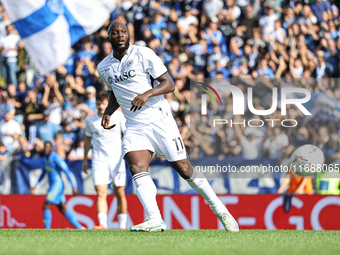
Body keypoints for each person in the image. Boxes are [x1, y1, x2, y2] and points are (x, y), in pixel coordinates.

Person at [97, 21, 239, 232]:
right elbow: (114, 92)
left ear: (129, 35)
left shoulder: (143, 54)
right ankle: (154, 217)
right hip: (135, 125)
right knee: (136, 165)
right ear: (108, 38)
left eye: (123, 31)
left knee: (184, 169)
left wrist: (147, 94)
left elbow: (169, 83)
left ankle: (221, 210)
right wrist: (108, 111)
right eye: (115, 32)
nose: (120, 35)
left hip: (160, 120)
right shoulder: (103, 67)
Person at [83, 92, 127, 230]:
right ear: (95, 104)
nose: (101, 106)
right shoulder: (90, 120)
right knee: (101, 193)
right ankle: (103, 224)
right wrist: (85, 159)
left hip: (117, 160)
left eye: (104, 103)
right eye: (99, 103)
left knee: (120, 193)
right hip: (99, 161)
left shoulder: (119, 117)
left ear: (108, 104)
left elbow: (125, 135)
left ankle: (122, 225)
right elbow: (87, 139)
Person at [31, 141, 84, 229]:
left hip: (57, 185)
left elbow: (67, 171)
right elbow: (43, 173)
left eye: (49, 147)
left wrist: (73, 186)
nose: (47, 149)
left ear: (52, 148)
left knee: (46, 205)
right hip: (53, 185)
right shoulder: (45, 159)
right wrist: (36, 184)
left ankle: (47, 229)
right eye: (45, 147)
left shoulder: (56, 158)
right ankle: (80, 227)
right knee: (62, 208)